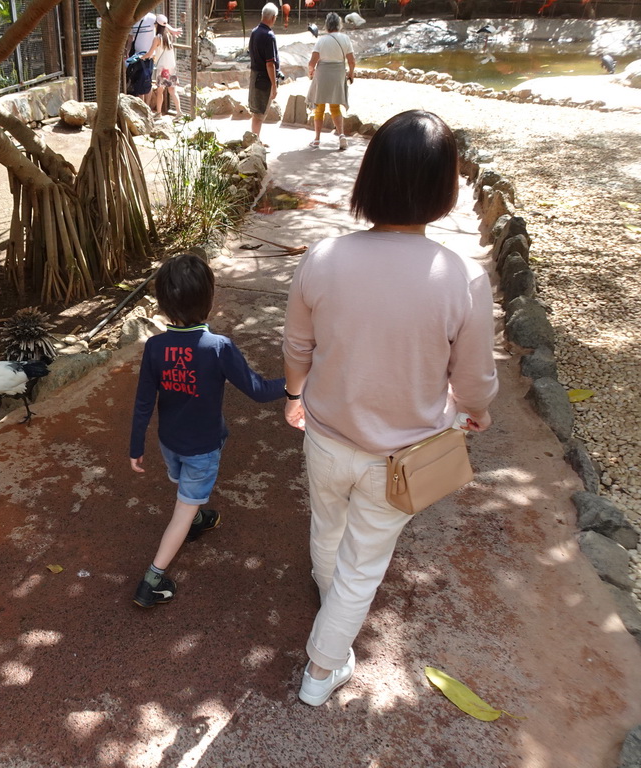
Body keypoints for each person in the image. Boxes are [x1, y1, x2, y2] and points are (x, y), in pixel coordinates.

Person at [281, 110, 498, 705]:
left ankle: (333, 612)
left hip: (326, 434)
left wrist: (295, 396)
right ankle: (321, 670)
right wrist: (474, 410)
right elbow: (475, 379)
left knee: (328, 530)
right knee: (364, 562)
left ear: (369, 179)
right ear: (443, 189)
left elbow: (298, 346)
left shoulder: (323, 257)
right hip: (402, 457)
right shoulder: (462, 279)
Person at [130, 253, 286, 608]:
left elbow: (143, 402)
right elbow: (259, 391)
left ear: (164, 305)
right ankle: (151, 580)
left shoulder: (155, 347)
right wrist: (295, 385)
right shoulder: (218, 348)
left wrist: (136, 445)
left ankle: (198, 517)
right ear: (209, 300)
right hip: (201, 448)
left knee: (186, 489)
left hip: (169, 443)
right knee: (181, 511)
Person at [306, 12, 356, 150]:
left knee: (319, 107)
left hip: (322, 76)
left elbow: (312, 62)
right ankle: (341, 136)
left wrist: (311, 72)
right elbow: (351, 61)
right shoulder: (345, 39)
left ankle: (317, 139)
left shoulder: (322, 40)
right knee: (335, 107)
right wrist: (351, 75)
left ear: (327, 25)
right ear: (339, 24)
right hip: (338, 75)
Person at [247, 4, 280, 139]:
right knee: (259, 113)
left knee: (257, 112)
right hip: (264, 78)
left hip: (255, 75)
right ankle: (255, 141)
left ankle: (256, 139)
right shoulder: (269, 36)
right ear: (273, 18)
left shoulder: (254, 32)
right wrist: (274, 84)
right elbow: (270, 64)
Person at [143, 14, 182, 116]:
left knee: (160, 91)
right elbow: (166, 25)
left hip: (162, 68)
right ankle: (179, 112)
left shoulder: (157, 38)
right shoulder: (168, 35)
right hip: (171, 67)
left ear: (156, 25)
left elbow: (150, 53)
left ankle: (159, 113)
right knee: (172, 91)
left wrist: (141, 57)